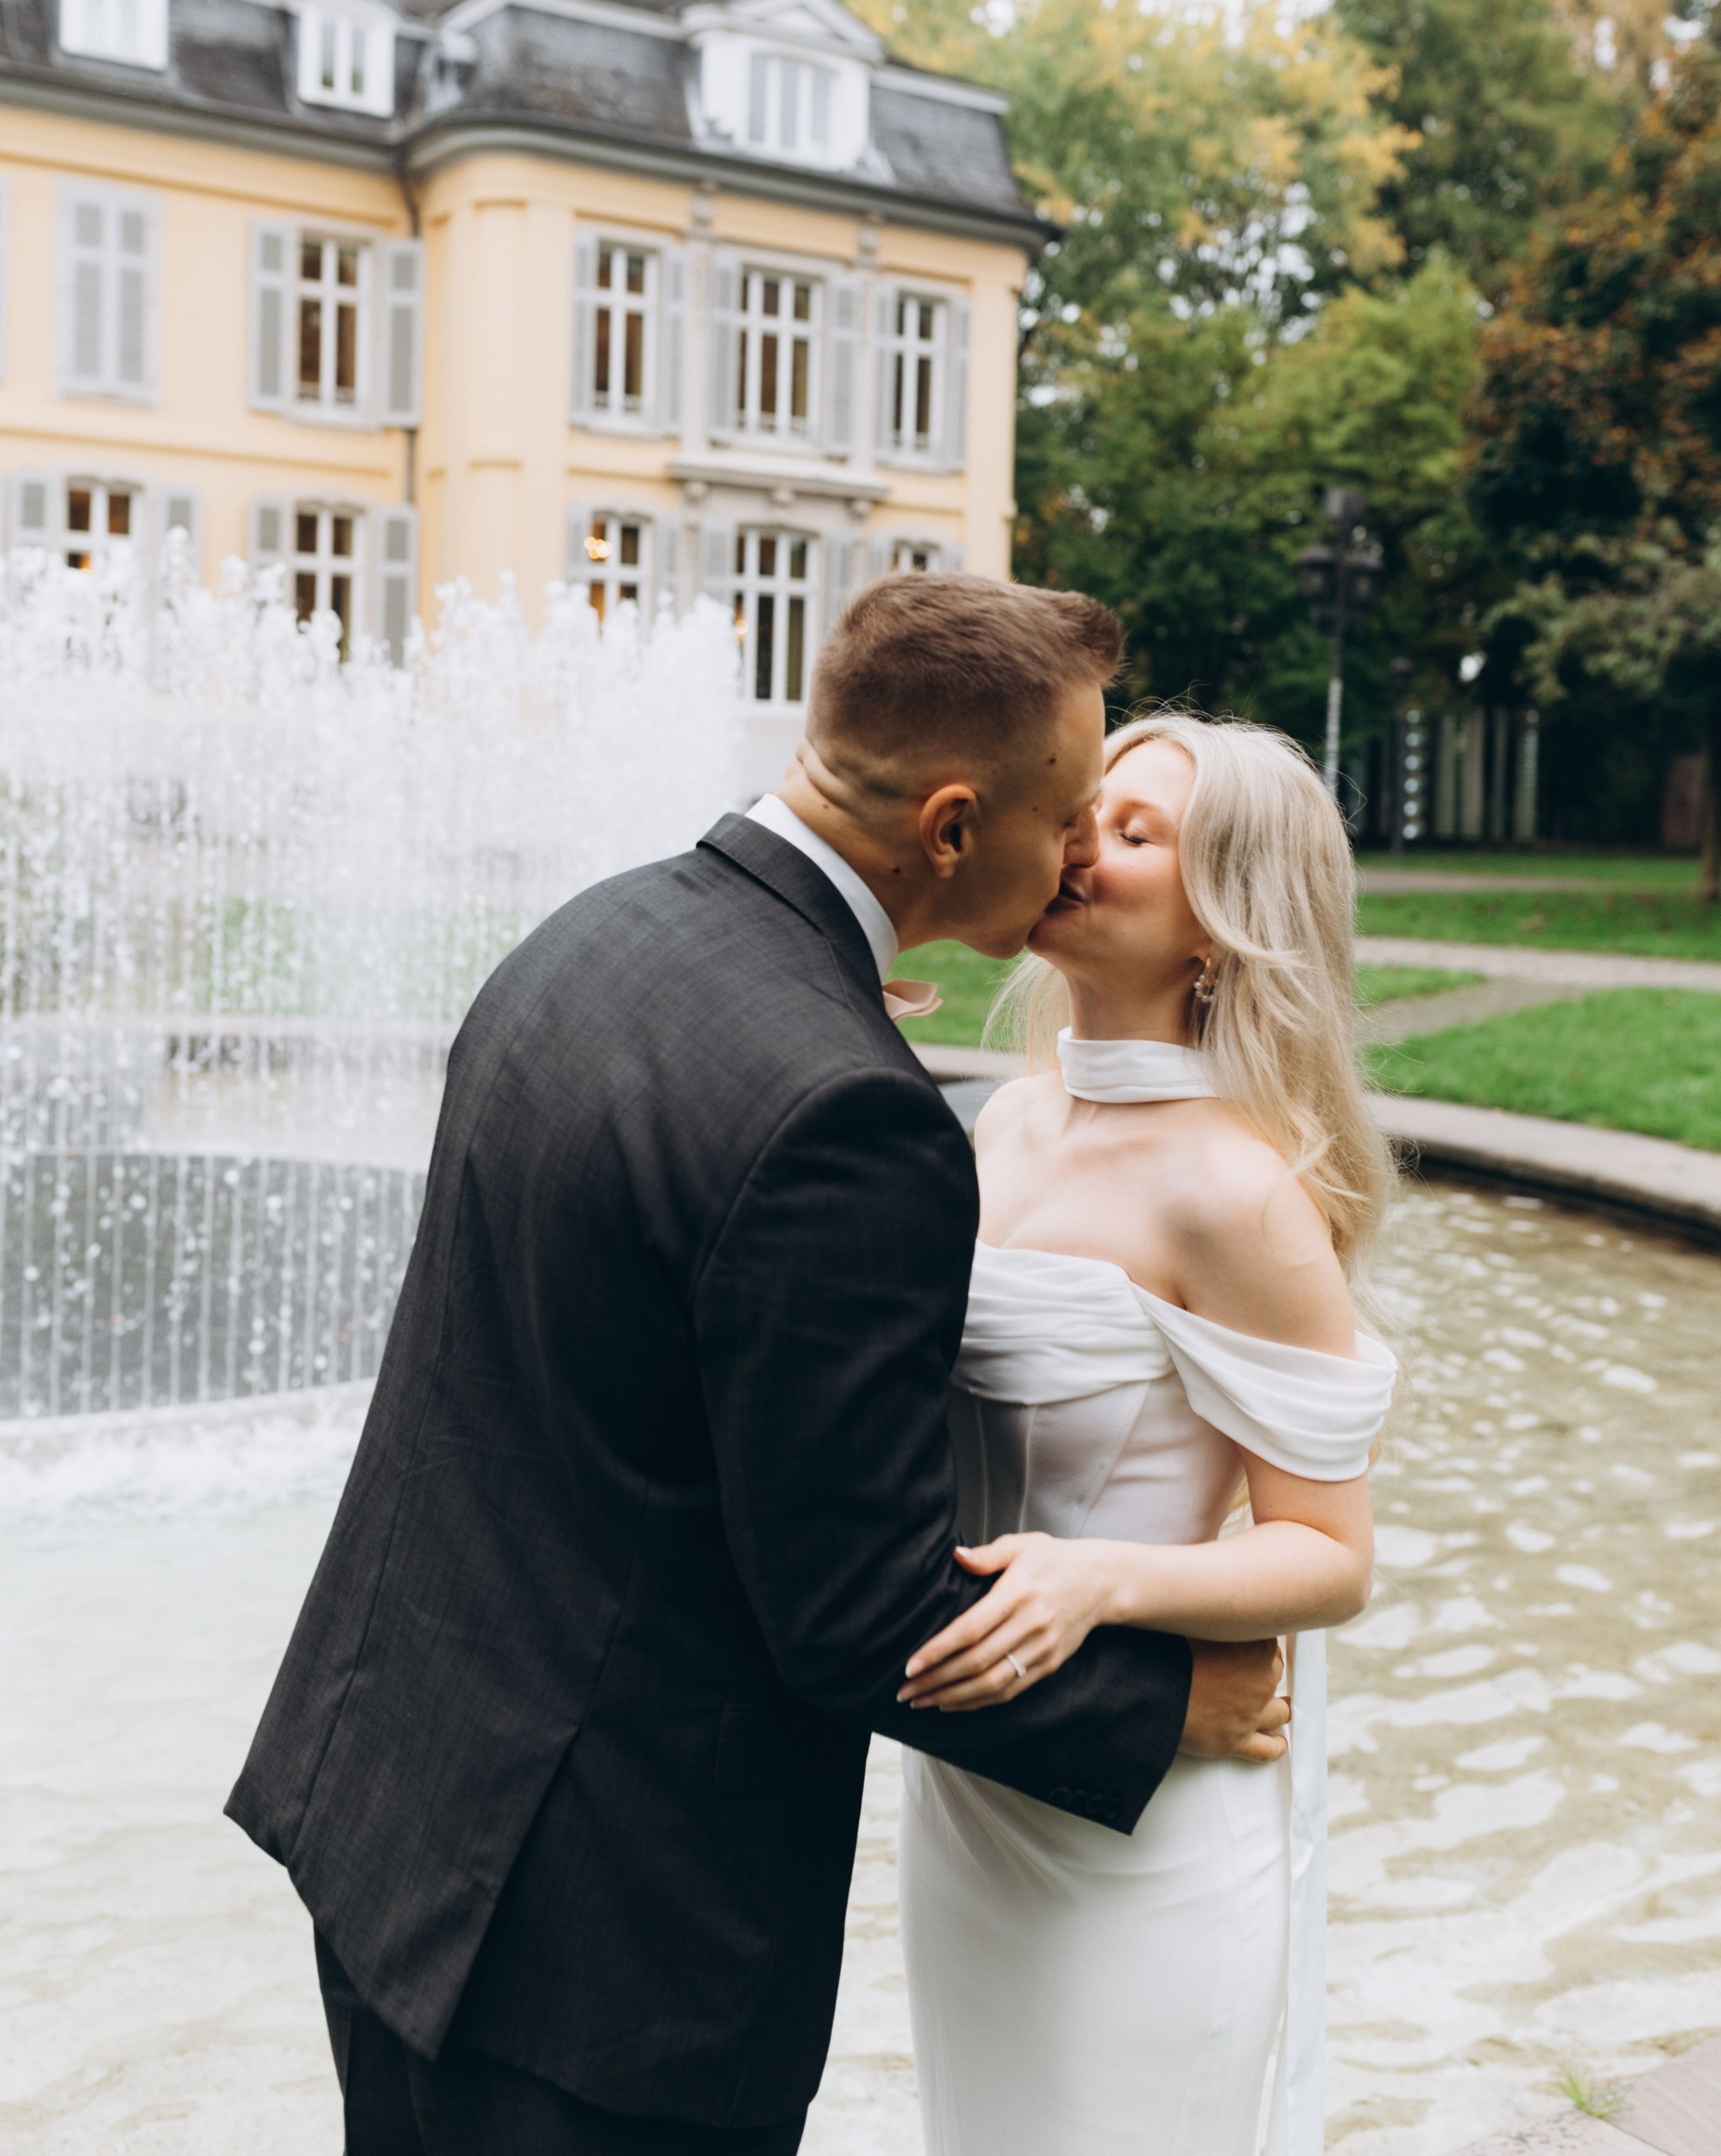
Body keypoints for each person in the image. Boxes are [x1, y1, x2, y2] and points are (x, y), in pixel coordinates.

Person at [227, 578, 1290, 2156]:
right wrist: (1165, 1703)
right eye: (1064, 810)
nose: (1075, 850)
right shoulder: (844, 1116)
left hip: (392, 1804)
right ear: (946, 827)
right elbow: (853, 1615)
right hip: (602, 1944)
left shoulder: (597, 933)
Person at [895, 712, 1397, 2156]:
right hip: (977, 1781)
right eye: (1084, 813)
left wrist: (1093, 1579)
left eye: (1137, 836)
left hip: (1147, 1822)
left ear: (1218, 928)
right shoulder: (1006, 1124)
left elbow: (1326, 1555)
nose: (1078, 847)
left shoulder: (1234, 1195)